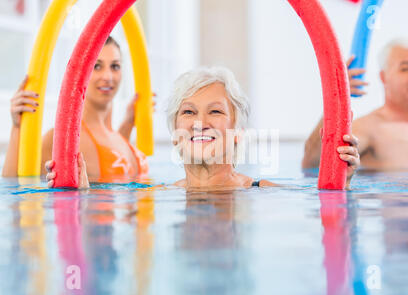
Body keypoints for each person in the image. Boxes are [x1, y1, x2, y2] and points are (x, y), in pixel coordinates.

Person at [46, 67, 360, 190]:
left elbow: (333, 225)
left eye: (215, 111)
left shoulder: (265, 192)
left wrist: (341, 186)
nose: (199, 122)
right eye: (188, 112)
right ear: (174, 133)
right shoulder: (152, 196)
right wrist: (77, 197)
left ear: (238, 133)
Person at [2, 36, 152, 182]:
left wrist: (128, 123)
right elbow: (14, 186)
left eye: (115, 66)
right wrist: (17, 126)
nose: (107, 76)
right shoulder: (63, 137)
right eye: (97, 66)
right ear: (80, 72)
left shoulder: (118, 137)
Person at [302, 38, 408, 172]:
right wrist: (335, 99)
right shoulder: (371, 128)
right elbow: (312, 163)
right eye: (405, 69)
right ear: (383, 77)